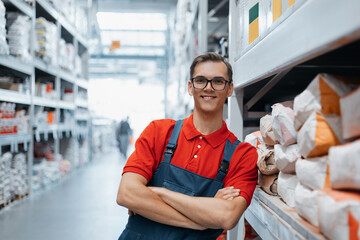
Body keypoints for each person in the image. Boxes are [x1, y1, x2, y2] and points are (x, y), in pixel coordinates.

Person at [116, 52, 258, 239]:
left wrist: (157, 193)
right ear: (190, 87)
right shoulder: (159, 132)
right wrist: (200, 221)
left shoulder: (242, 154)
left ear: (230, 89)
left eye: (218, 81)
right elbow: (127, 194)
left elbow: (227, 216)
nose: (208, 88)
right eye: (200, 80)